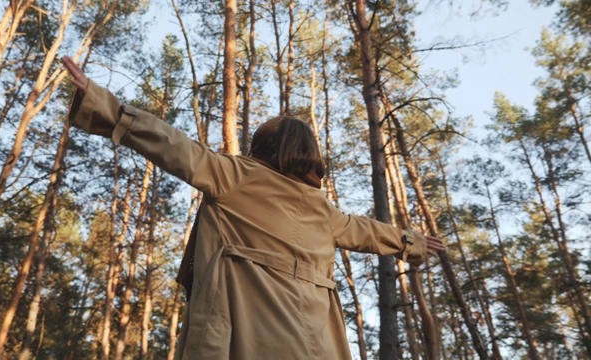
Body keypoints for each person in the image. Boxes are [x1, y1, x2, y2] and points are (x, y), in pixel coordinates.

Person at [62, 56, 445, 360]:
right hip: (318, 343)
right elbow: (367, 231)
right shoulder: (321, 209)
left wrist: (104, 105)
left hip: (246, 337)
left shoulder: (235, 175)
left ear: (261, 147)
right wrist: (411, 241)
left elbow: (173, 146)